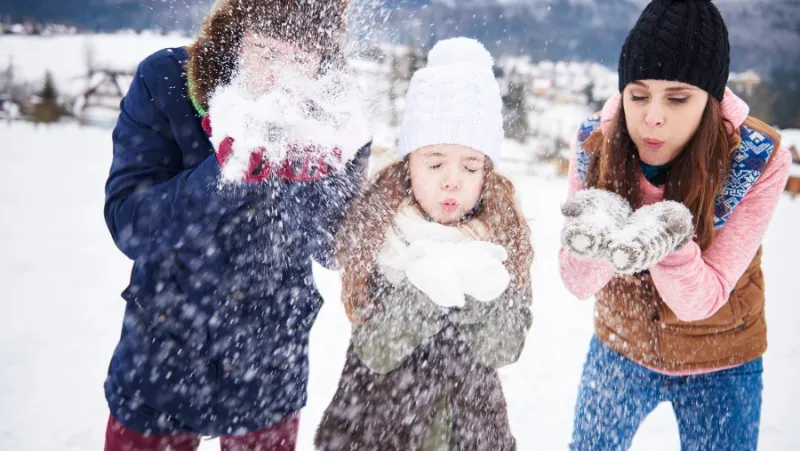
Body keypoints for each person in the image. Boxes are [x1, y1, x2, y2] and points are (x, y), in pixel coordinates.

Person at [102, 0, 370, 449]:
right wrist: (219, 176)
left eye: (299, 59)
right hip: (160, 355)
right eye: (265, 51)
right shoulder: (166, 81)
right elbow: (128, 225)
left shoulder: (339, 120)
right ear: (236, 34)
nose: (278, 76)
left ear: (322, 59)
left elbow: (332, 249)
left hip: (267, 365)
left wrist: (309, 183)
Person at [559, 0, 792, 449]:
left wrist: (665, 239)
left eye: (678, 97)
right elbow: (578, 282)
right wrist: (598, 233)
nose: (653, 116)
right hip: (622, 347)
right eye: (638, 94)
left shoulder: (757, 159)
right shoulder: (596, 143)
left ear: (711, 100)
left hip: (722, 359)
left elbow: (699, 299)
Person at [314, 38, 534, 450]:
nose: (452, 180)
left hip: (468, 434)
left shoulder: (500, 241)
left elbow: (504, 346)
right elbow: (376, 350)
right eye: (434, 163)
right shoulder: (382, 233)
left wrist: (478, 285)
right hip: (375, 430)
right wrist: (423, 289)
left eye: (470, 166)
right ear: (407, 164)